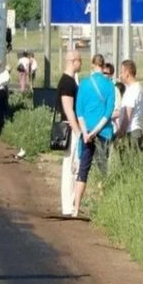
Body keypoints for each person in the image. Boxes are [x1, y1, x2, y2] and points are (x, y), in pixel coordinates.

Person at [73, 54, 116, 217]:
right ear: (103, 66)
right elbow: (108, 112)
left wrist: (85, 133)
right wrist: (95, 132)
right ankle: (104, 207)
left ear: (92, 65)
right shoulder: (109, 86)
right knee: (103, 169)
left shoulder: (84, 84)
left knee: (83, 169)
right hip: (103, 132)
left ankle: (76, 208)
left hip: (86, 133)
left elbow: (80, 111)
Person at [58, 51, 82, 216]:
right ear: (73, 61)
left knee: (72, 166)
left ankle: (71, 204)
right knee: (70, 167)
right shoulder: (67, 83)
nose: (81, 63)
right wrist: (78, 131)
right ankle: (68, 205)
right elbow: (68, 109)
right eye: (79, 60)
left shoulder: (70, 81)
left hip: (71, 127)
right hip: (70, 127)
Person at [118, 59, 143, 150]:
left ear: (127, 73)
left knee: (129, 161)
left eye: (121, 72)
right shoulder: (133, 88)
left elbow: (127, 115)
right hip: (131, 131)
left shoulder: (133, 90)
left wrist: (120, 132)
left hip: (131, 132)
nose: (120, 75)